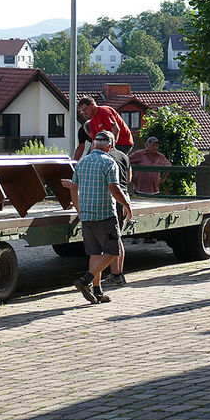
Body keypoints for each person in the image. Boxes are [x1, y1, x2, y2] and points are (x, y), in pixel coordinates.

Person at [69, 130, 133, 304]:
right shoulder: (108, 162)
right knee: (113, 251)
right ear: (110, 146)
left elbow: (73, 188)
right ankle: (85, 280)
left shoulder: (82, 162)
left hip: (87, 216)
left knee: (95, 253)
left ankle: (97, 291)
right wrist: (126, 205)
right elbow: (115, 188)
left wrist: (78, 208)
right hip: (105, 215)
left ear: (95, 145)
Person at [103, 144, 131, 286]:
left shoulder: (104, 158)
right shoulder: (124, 156)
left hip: (112, 198)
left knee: (113, 239)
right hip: (123, 197)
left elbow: (111, 184)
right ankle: (118, 273)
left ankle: (116, 275)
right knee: (117, 238)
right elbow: (129, 178)